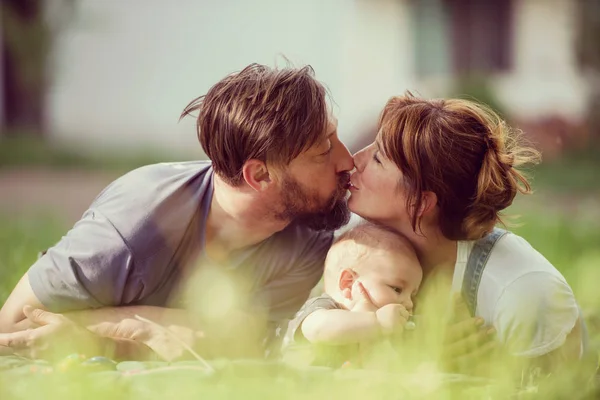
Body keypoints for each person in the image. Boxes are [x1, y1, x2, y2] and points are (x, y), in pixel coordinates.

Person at [0, 63, 355, 360]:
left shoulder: (310, 235)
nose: (348, 160)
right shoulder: (132, 227)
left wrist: (110, 328)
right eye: (324, 151)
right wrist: (160, 330)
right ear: (259, 175)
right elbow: (12, 328)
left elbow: (246, 343)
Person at [347, 93, 590, 375]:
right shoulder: (365, 251)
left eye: (377, 158)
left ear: (419, 202)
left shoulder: (524, 293)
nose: (355, 160)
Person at [281, 223, 422, 368]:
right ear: (348, 283)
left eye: (412, 295)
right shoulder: (323, 307)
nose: (409, 303)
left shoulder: (382, 329)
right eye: (397, 289)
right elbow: (317, 329)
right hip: (297, 385)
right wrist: (378, 322)